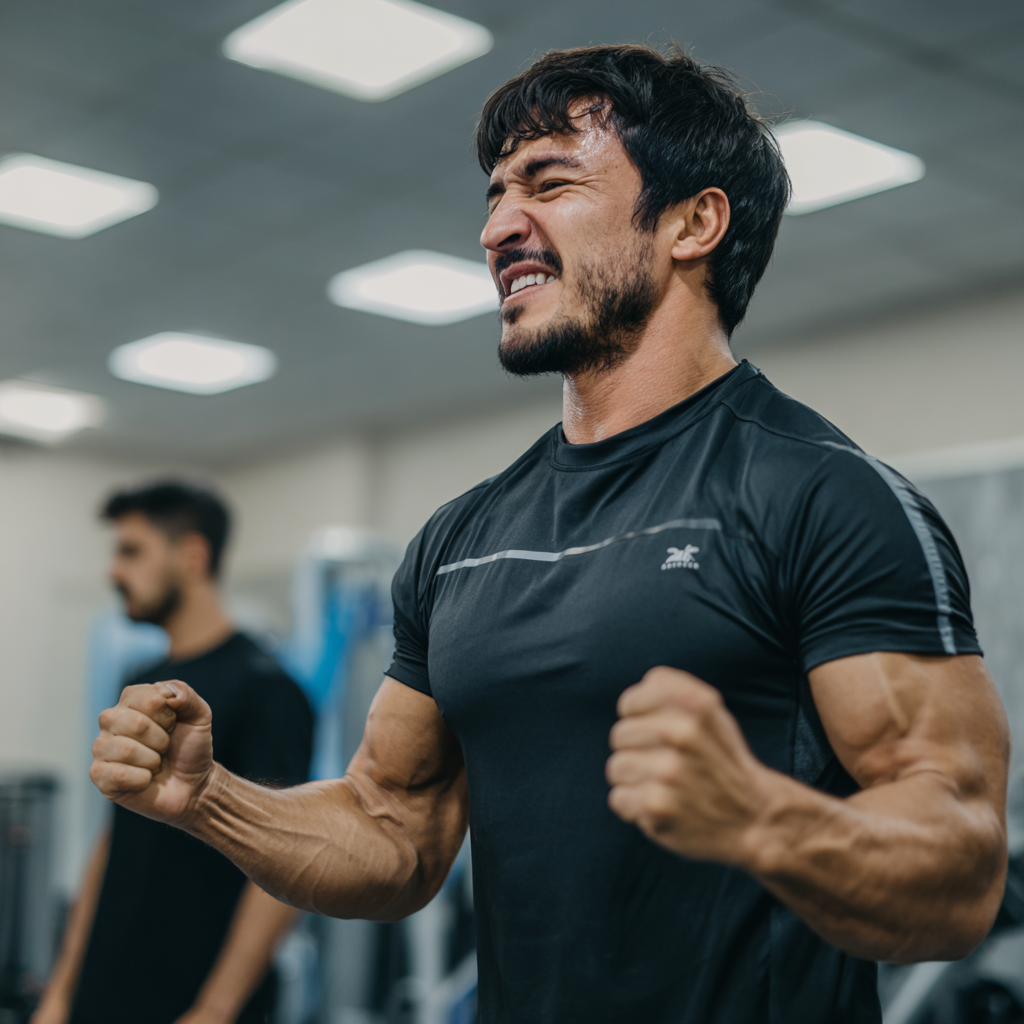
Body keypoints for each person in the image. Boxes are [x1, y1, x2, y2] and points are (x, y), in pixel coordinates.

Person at [89, 46, 1010, 1024]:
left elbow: (958, 873)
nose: (495, 228)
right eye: (493, 196)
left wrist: (758, 818)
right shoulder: (465, 536)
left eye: (549, 182)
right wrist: (212, 800)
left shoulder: (822, 496)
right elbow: (392, 831)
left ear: (693, 221)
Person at [35, 482, 313, 1024]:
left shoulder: (267, 689)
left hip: (188, 999)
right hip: (104, 993)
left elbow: (284, 869)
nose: (114, 572)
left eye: (132, 551)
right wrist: (60, 991)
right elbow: (115, 842)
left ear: (192, 556)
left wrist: (214, 1008)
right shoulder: (141, 682)